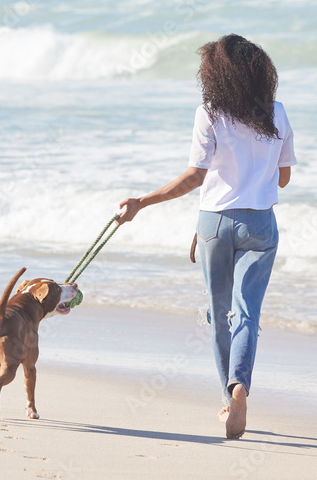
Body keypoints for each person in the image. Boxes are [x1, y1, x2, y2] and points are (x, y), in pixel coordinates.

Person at [116, 34, 296, 439]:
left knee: (219, 315)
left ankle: (227, 398)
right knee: (247, 312)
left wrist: (141, 203)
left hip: (213, 223)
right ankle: (241, 387)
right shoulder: (277, 112)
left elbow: (196, 178)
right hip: (261, 226)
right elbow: (283, 178)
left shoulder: (209, 113)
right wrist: (260, 168)